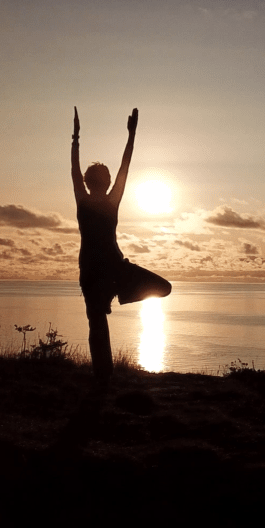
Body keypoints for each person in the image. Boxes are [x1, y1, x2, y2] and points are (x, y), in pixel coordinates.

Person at [71, 106, 170, 385]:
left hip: (101, 270)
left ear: (89, 182)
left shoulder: (83, 200)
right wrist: (131, 135)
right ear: (104, 181)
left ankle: (119, 296)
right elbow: (125, 166)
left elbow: (74, 169)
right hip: (105, 270)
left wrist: (76, 137)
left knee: (97, 324)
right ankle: (104, 377)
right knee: (100, 321)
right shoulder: (108, 200)